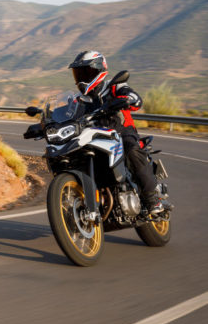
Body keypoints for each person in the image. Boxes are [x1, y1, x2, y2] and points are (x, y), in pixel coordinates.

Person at [68, 50, 163, 214]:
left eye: (87, 72)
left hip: (121, 133)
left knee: (131, 150)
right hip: (94, 138)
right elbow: (67, 115)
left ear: (99, 70)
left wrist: (127, 99)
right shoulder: (79, 100)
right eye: (79, 73)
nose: (82, 78)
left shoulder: (114, 87)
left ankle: (152, 198)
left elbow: (135, 99)